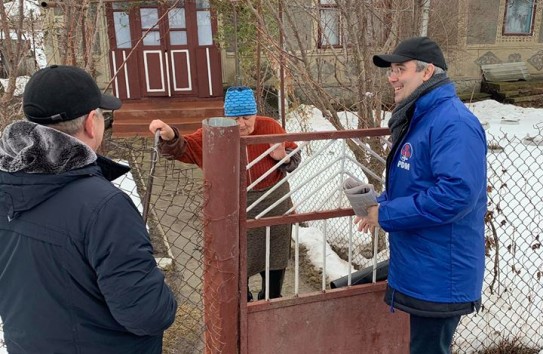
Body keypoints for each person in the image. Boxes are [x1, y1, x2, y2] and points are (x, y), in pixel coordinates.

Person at [0, 65, 177, 353]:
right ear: (91, 123)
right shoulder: (104, 207)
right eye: (104, 117)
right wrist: (159, 289)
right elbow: (148, 314)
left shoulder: (7, 187)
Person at [355, 37, 487, 353]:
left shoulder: (452, 122)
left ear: (427, 73)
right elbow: (417, 185)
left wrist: (385, 214)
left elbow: (455, 195)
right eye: (392, 70)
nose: (392, 77)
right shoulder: (422, 117)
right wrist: (380, 204)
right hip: (425, 266)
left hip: (442, 273)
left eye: (401, 69)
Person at [149, 86, 301, 301]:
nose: (241, 124)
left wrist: (283, 157)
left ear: (255, 113)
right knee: (237, 265)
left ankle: (271, 301)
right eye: (234, 118)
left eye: (247, 117)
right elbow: (184, 148)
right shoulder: (215, 132)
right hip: (234, 209)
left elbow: (294, 153)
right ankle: (243, 304)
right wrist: (170, 134)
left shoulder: (270, 126)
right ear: (226, 116)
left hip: (273, 206)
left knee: (274, 261)